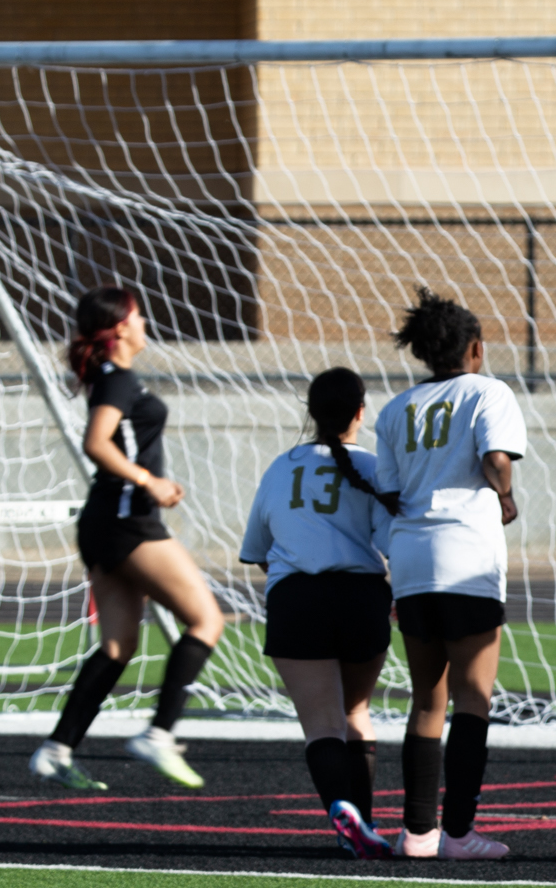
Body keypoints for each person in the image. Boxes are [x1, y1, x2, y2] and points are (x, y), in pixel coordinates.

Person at [29, 287, 224, 791]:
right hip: (125, 522)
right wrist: (147, 481)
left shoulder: (113, 377)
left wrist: (152, 482)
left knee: (117, 646)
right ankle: (159, 734)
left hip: (106, 522)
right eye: (138, 316)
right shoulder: (117, 380)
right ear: (120, 328)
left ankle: (56, 749)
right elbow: (96, 442)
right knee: (207, 619)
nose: (144, 324)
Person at [373, 287, 526, 860]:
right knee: (473, 699)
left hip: (411, 559)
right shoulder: (488, 391)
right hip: (467, 559)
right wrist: (505, 496)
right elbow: (495, 460)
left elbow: (389, 491)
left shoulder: (395, 409)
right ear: (475, 348)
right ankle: (459, 833)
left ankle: (416, 833)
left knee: (426, 701)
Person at [239, 367, 398, 859]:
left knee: (322, 725)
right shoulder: (373, 467)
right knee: (356, 712)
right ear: (360, 412)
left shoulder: (280, 467)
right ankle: (365, 824)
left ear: (310, 412)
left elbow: (257, 549)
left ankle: (343, 814)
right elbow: (391, 543)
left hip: (296, 600)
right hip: (361, 598)